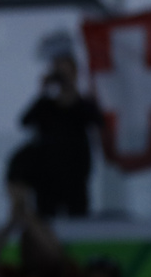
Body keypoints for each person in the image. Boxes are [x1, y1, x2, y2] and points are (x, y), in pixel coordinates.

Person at [12, 53, 103, 218]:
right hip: (46, 178)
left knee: (78, 220)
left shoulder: (83, 105)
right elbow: (25, 121)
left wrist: (73, 93)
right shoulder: (46, 106)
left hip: (76, 175)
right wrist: (44, 92)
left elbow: (98, 121)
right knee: (46, 222)